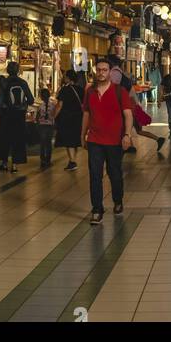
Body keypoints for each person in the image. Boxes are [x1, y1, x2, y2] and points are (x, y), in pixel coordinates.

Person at [81, 58, 134, 224]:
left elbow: (128, 114)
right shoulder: (90, 91)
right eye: (98, 70)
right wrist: (82, 135)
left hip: (114, 141)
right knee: (95, 175)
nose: (101, 73)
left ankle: (118, 200)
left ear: (110, 72)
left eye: (104, 70)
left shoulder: (119, 91)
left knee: (115, 174)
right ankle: (97, 209)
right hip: (95, 140)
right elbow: (86, 114)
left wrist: (127, 135)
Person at [0, 60, 33, 173]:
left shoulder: (4, 83)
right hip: (19, 115)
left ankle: (4, 163)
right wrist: (23, 105)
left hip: (6, 115)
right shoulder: (23, 83)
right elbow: (31, 100)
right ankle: (15, 165)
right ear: (18, 71)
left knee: (5, 139)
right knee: (18, 139)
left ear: (7, 70)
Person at [55, 68, 84, 169]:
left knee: (69, 140)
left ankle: (72, 161)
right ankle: (72, 159)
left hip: (67, 118)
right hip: (79, 117)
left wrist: (53, 116)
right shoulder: (81, 89)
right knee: (75, 139)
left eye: (65, 76)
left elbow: (59, 105)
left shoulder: (64, 90)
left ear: (68, 78)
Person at [36, 88, 57, 168]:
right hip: (50, 125)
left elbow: (37, 116)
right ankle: (48, 160)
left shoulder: (40, 105)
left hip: (42, 126)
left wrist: (37, 123)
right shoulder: (53, 105)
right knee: (48, 143)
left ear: (41, 96)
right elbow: (55, 114)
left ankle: (42, 160)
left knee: (42, 143)